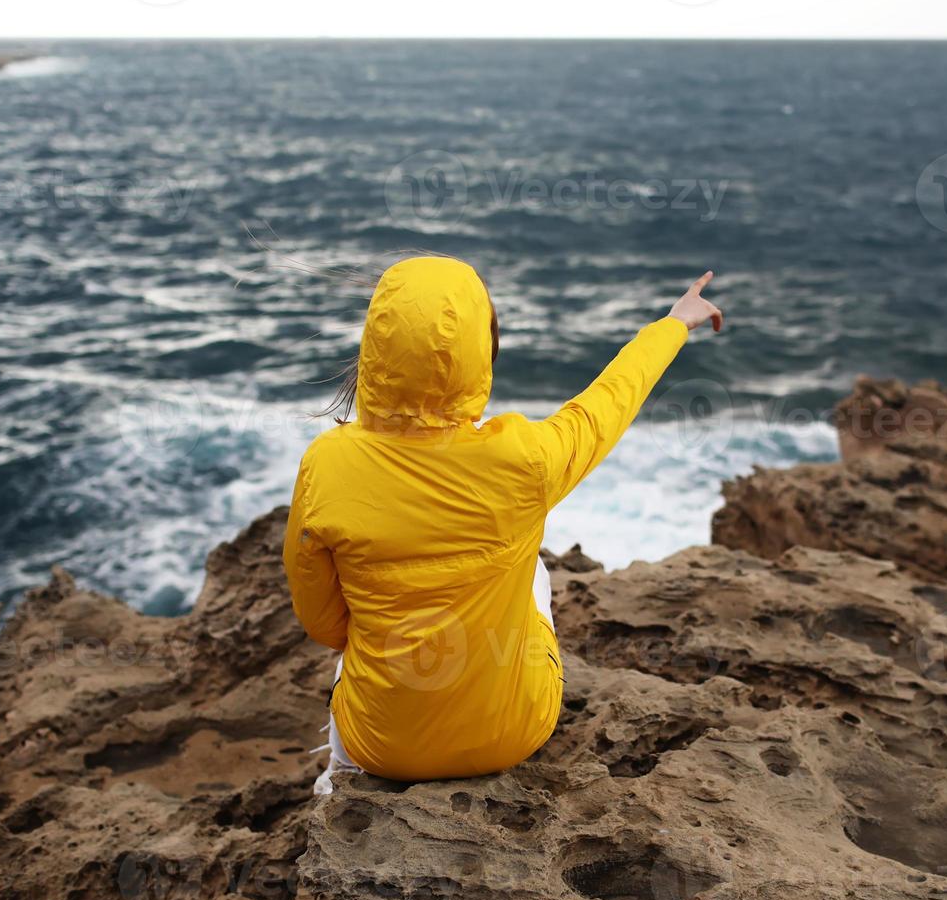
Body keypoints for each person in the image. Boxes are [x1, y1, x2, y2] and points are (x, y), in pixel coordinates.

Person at [284, 256, 722, 793]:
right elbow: (604, 406)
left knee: (362, 636)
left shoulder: (326, 466)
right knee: (531, 570)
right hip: (512, 735)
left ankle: (340, 778)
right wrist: (674, 324)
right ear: (481, 352)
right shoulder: (527, 459)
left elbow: (326, 626)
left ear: (376, 348)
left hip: (382, 746)